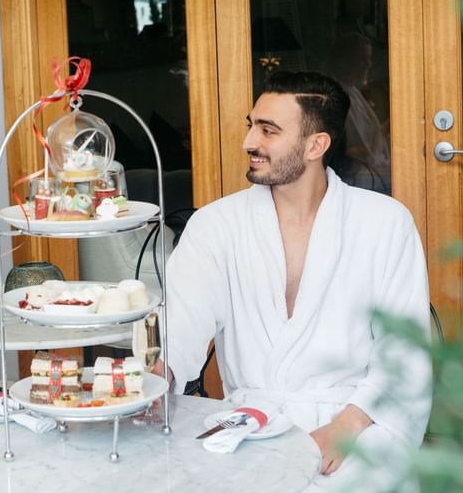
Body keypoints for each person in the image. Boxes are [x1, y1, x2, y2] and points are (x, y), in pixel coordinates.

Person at [162, 71, 431, 490]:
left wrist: (343, 428)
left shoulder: (384, 224)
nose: (249, 142)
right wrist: (153, 385)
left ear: (316, 145)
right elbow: (180, 334)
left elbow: (404, 357)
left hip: (360, 423)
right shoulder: (215, 225)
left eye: (268, 130)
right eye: (251, 125)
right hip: (252, 423)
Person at [326, 31, 391, 193]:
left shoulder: (354, 92)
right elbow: (350, 152)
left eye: (369, 59)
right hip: (358, 180)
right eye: (363, 59)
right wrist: (390, 126)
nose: (368, 65)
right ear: (344, 61)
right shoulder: (337, 99)